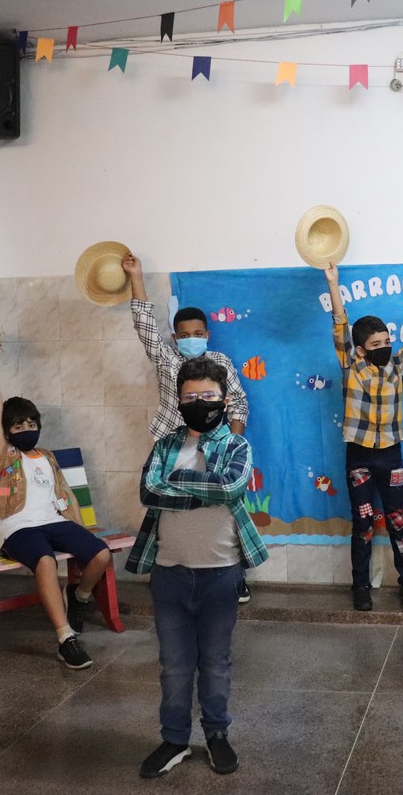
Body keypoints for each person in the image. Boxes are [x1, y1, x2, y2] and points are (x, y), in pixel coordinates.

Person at [127, 356, 268, 780]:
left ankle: (217, 734)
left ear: (223, 400)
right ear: (179, 400)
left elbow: (230, 486)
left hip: (221, 573)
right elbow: (148, 490)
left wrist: (176, 484)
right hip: (169, 572)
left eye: (208, 395)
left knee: (215, 662)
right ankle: (174, 739)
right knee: (174, 664)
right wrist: (203, 492)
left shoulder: (237, 445)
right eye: (190, 397)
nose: (199, 403)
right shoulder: (165, 445)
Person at [122, 255, 254, 605]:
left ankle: (235, 576)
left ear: (207, 335)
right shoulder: (166, 359)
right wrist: (136, 276)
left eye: (197, 334)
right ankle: (168, 573)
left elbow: (239, 404)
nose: (191, 339)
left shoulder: (221, 362)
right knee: (167, 511)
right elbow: (144, 325)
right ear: (175, 337)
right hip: (174, 446)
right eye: (184, 335)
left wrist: (231, 442)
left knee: (225, 512)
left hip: (215, 446)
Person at [0, 349, 112, 669]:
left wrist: (79, 527)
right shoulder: (4, 456)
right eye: (18, 426)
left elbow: (65, 495)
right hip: (16, 526)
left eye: (32, 423)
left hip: (52, 521)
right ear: (7, 432)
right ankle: (66, 639)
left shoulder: (47, 456)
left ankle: (79, 597)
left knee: (101, 554)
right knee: (45, 561)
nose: (27, 429)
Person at [323, 262, 403, 611]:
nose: (384, 347)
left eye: (387, 341)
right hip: (359, 456)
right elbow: (340, 325)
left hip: (390, 455)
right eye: (376, 344)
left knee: (398, 519)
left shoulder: (396, 365)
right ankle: (360, 586)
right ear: (361, 349)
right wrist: (333, 283)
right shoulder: (351, 366)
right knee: (363, 522)